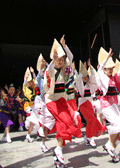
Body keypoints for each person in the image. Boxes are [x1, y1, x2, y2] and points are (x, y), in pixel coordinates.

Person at [44, 35, 82, 168]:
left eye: (62, 60)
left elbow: (70, 58)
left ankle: (58, 151)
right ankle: (58, 150)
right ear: (54, 60)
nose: (60, 62)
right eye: (58, 59)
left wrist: (64, 46)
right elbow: (49, 70)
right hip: (51, 101)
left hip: (62, 100)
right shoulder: (51, 70)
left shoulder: (66, 69)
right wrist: (53, 61)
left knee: (64, 124)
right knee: (65, 121)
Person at [97, 48, 120, 163]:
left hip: (114, 105)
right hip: (106, 105)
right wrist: (106, 58)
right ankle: (110, 147)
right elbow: (100, 70)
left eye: (112, 68)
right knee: (119, 124)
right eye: (108, 68)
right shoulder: (102, 78)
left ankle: (110, 147)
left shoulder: (113, 78)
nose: (110, 70)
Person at [76, 59, 106, 147]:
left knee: (91, 121)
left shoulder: (90, 85)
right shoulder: (80, 85)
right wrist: (82, 72)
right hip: (82, 105)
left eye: (86, 77)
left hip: (89, 104)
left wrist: (90, 68)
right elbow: (78, 81)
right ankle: (90, 137)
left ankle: (87, 136)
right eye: (84, 77)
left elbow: (94, 79)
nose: (85, 78)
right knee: (91, 119)